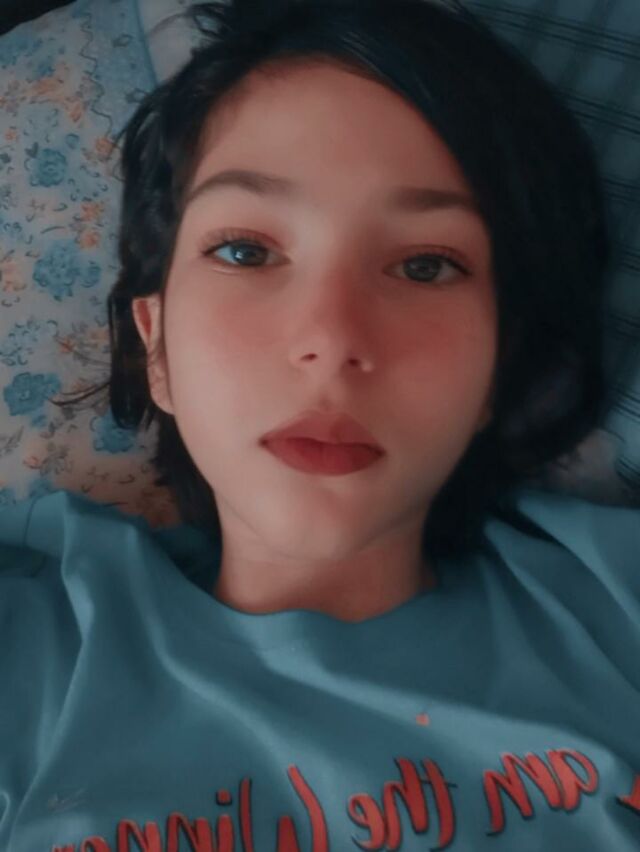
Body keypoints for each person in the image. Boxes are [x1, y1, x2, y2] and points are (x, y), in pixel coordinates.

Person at [2, 1, 638, 849]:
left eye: (425, 265)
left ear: (499, 365)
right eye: (246, 251)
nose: (332, 340)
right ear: (155, 347)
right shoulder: (32, 657)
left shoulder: (613, 613)